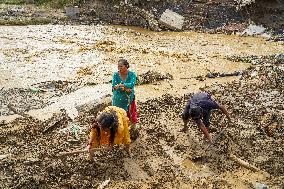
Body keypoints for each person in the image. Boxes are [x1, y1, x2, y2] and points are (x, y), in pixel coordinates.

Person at [112, 59, 138, 138]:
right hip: (118, 100)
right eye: (118, 66)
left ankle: (132, 130)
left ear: (126, 66)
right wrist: (123, 87)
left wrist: (120, 85)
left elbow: (132, 84)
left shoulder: (132, 74)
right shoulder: (115, 75)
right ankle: (120, 131)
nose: (119, 68)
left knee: (131, 113)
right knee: (118, 116)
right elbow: (113, 86)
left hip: (129, 99)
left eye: (121, 66)